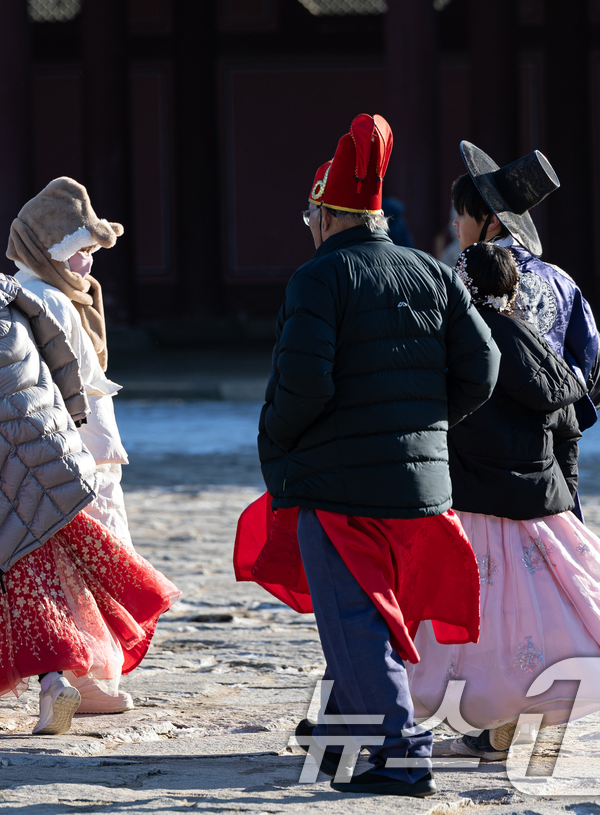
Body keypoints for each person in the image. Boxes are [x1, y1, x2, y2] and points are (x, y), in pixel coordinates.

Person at [234, 114, 500, 798]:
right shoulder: (432, 274)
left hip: (340, 484)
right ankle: (339, 732)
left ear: (326, 212)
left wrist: (276, 442)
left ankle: (403, 751)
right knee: (379, 619)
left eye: (310, 214)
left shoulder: (319, 279)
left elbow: (303, 385)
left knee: (354, 619)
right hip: (420, 490)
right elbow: (483, 367)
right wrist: (427, 422)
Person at [0, 245, 179, 734]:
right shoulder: (18, 308)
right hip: (44, 467)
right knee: (45, 582)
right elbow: (62, 373)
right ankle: (68, 681)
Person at [404, 242, 600, 761]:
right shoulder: (537, 345)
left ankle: (474, 719)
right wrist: (565, 499)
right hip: (538, 505)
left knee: (459, 623)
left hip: (469, 504)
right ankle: (509, 721)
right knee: (545, 615)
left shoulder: (455, 345)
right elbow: (569, 427)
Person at [7, 177, 140, 715]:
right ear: (50, 249)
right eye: (82, 250)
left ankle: (82, 674)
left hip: (72, 455)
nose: (89, 263)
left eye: (91, 252)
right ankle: (84, 678)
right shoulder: (45, 300)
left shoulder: (47, 295)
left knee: (77, 567)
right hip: (77, 457)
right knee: (82, 569)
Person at [451, 142, 600, 438]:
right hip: (553, 434)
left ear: (492, 220)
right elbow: (587, 356)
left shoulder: (467, 277)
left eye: (461, 213)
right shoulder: (561, 280)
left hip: (485, 439)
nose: (456, 223)